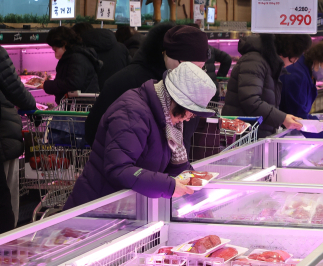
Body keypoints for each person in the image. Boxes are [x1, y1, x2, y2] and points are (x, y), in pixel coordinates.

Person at [64, 62, 216, 209]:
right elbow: (118, 169)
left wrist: (198, 189)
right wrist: (168, 185)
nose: (190, 117)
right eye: (190, 111)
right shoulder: (132, 112)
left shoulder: (167, 119)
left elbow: (177, 167)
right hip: (95, 209)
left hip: (123, 209)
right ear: (175, 99)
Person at [84, 24, 209, 148]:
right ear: (169, 56)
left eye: (200, 67)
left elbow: (184, 140)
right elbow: (95, 132)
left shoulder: (193, 90)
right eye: (191, 67)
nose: (195, 74)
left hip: (171, 166)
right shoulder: (126, 82)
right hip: (128, 165)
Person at [222, 34, 303, 137]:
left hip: (253, 132)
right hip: (243, 135)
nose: (291, 64)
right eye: (293, 60)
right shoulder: (255, 61)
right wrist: (282, 118)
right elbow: (251, 100)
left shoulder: (267, 63)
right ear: (286, 52)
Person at [0, 45, 36, 230]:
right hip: (4, 135)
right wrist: (32, 107)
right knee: (6, 205)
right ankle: (7, 249)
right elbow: (15, 88)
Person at [280, 40, 323, 120]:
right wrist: (320, 126)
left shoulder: (308, 72)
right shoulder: (298, 75)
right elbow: (298, 116)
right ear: (318, 58)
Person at [44, 27, 101, 105]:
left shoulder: (77, 58)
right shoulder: (72, 56)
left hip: (80, 107)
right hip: (76, 105)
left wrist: (47, 85)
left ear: (64, 43)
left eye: (55, 49)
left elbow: (73, 83)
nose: (55, 53)